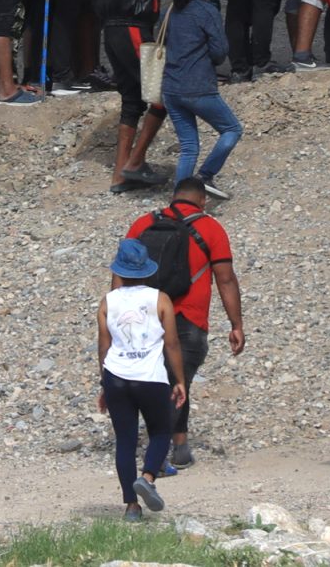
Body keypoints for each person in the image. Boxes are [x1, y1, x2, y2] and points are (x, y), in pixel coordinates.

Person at [125, 178, 241, 471]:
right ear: (202, 201)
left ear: (173, 197)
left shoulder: (143, 224)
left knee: (155, 379)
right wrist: (236, 324)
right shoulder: (211, 228)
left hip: (146, 314)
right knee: (179, 381)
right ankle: (164, 452)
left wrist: (114, 312)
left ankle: (178, 444)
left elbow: (122, 272)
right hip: (189, 316)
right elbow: (225, 279)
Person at [96, 241, 185, 523]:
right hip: (150, 377)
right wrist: (180, 380)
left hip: (116, 376)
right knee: (161, 431)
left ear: (119, 271)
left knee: (125, 440)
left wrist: (103, 384)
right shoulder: (160, 300)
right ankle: (147, 477)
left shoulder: (108, 302)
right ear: (146, 270)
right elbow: (171, 344)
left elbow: (104, 346)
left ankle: (131, 507)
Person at [98, 0, 180, 189]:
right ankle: (136, 162)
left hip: (111, 27)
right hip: (132, 24)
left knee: (132, 99)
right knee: (163, 93)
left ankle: (120, 174)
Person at [152, 0, 239, 197]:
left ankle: (180, 201)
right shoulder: (207, 10)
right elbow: (220, 52)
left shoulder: (171, 10)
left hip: (170, 88)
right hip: (198, 86)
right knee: (232, 129)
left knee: (189, 147)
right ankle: (206, 175)